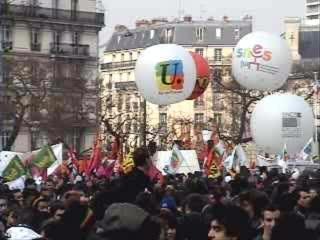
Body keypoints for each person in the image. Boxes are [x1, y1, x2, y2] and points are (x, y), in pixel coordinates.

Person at [88, 203, 161, 240]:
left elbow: (116, 229)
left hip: (142, 227)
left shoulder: (111, 213)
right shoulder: (115, 206)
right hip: (145, 222)